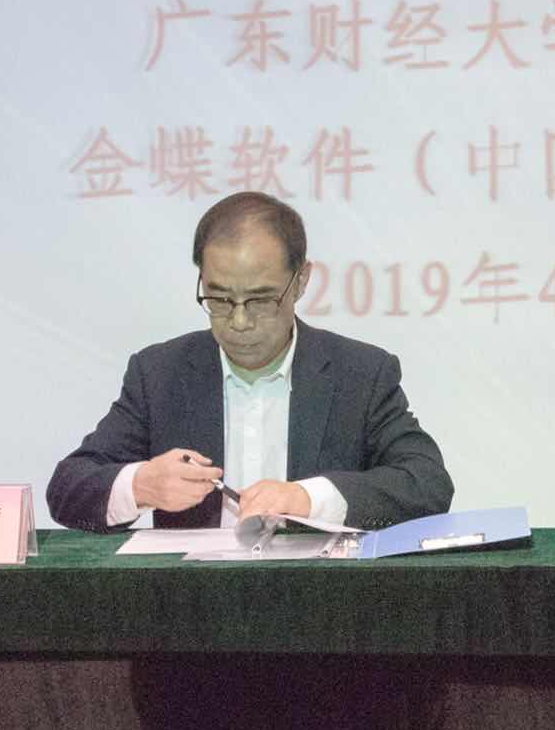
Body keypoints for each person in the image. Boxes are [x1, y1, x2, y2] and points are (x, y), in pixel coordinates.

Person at [47, 191, 453, 534]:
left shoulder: (360, 374)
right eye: (220, 299)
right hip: (193, 600)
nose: (239, 321)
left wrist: (308, 499)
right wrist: (140, 485)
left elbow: (427, 484)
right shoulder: (160, 374)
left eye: (260, 299)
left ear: (301, 281)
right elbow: (67, 488)